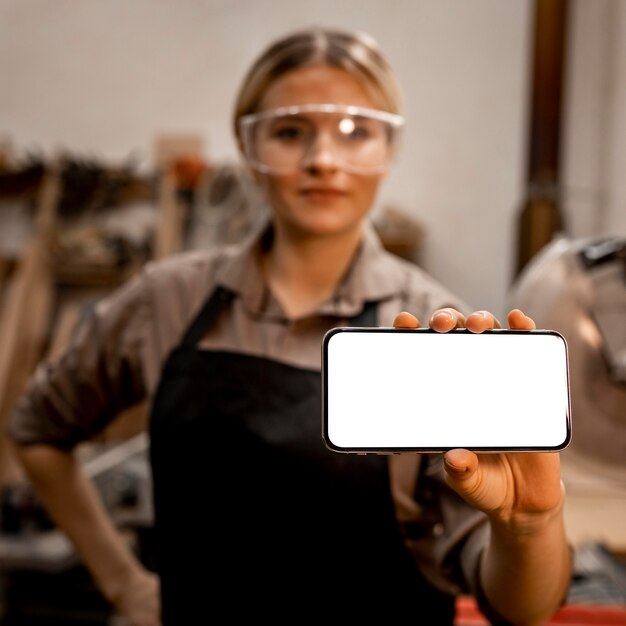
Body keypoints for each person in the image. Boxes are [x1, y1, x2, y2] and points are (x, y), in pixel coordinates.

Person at [7, 25, 571, 626]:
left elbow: (520, 609)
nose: (322, 160)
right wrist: (124, 584)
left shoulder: (432, 333)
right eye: (289, 131)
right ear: (248, 150)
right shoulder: (164, 300)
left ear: (388, 150)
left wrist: (531, 527)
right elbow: (38, 427)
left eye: (356, 132)